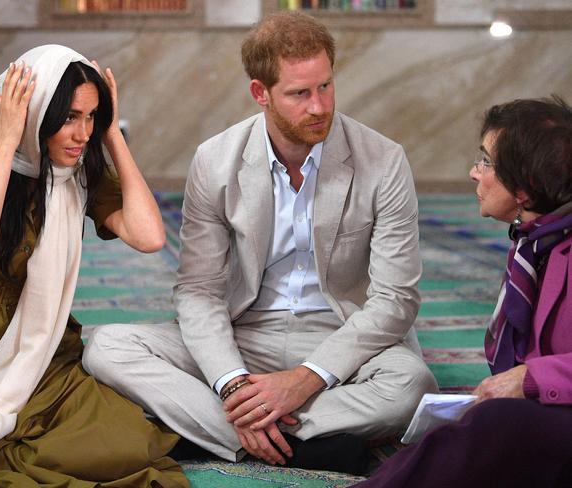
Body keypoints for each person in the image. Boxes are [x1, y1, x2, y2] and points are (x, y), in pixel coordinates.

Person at [83, 11, 436, 475]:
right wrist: (231, 384)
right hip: (244, 332)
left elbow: (395, 301)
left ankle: (217, 434)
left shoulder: (383, 160)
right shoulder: (215, 160)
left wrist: (305, 380)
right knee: (107, 347)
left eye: (325, 87)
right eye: (299, 93)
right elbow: (199, 291)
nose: (319, 106)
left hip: (342, 334)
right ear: (260, 93)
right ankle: (290, 439)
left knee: (410, 385)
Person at [0, 44, 189, 487]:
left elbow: (150, 237)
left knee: (124, 442)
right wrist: (9, 141)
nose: (82, 133)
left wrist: (113, 137)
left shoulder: (77, 172)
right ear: (33, 110)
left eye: (92, 117)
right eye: (69, 117)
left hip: (39, 344)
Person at [354, 96, 572, 488]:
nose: (475, 172)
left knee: (495, 424)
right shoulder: (535, 246)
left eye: (487, 162)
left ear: (527, 184)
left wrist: (532, 379)